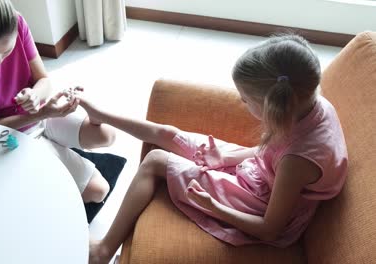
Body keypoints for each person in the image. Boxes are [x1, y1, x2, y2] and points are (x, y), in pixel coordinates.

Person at [78, 34, 348, 263]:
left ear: (274, 108)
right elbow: (271, 151)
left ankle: (103, 250)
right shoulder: (310, 104)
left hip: (259, 201)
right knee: (168, 134)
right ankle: (102, 115)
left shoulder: (297, 160)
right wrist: (226, 157)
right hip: (262, 170)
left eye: (245, 100)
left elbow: (269, 230)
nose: (242, 104)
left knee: (156, 159)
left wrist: (214, 206)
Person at [0, 0, 116, 203]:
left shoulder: (18, 22)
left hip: (42, 114)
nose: (0, 61)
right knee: (99, 191)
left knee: (107, 135)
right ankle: (42, 162)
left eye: (7, 50)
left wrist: (36, 95)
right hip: (9, 135)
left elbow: (44, 80)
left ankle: (53, 151)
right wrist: (40, 114)